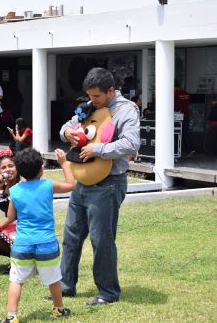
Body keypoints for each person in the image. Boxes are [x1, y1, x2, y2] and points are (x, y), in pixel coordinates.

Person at [59, 67, 140, 306]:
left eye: (96, 97)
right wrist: (67, 133)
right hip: (82, 182)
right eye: (89, 96)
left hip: (108, 184)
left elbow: (132, 143)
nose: (91, 101)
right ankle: (65, 286)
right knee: (71, 236)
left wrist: (98, 149)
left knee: (101, 239)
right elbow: (66, 125)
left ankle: (108, 293)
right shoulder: (88, 107)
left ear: (111, 91)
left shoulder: (126, 110)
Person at [0, 148, 75, 322]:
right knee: (53, 279)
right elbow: (71, 185)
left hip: (22, 244)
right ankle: (58, 309)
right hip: (46, 243)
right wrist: (64, 163)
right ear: (41, 170)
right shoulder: (47, 185)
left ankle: (11, 316)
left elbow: (10, 217)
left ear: (19, 170)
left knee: (16, 280)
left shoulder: (14, 191)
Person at [174, 80, 191, 153]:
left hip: (178, 116)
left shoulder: (175, 93)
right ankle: (188, 149)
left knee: (176, 133)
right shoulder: (186, 93)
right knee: (186, 133)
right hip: (186, 115)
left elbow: (173, 105)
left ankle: (176, 150)